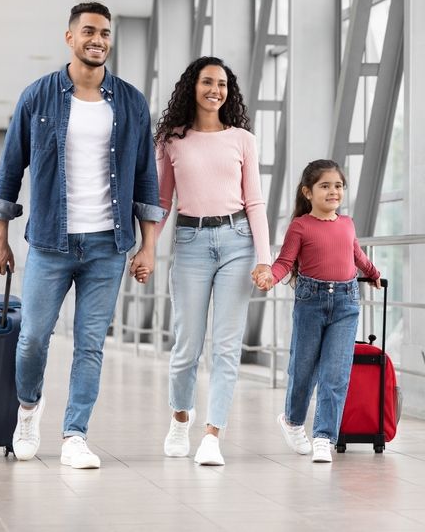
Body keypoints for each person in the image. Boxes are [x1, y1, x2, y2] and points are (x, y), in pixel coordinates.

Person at [0, 2, 164, 469]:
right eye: (88, 31)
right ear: (69, 37)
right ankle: (28, 409)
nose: (98, 39)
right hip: (49, 241)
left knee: (90, 343)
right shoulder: (37, 96)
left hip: (108, 244)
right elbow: (9, 170)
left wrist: (148, 246)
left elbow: (146, 178)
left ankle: (74, 434)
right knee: (34, 338)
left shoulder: (129, 101)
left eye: (105, 32)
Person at [153, 56, 272, 466]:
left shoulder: (242, 139)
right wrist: (147, 247)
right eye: (207, 82)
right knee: (186, 345)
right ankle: (180, 417)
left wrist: (265, 259)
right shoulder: (172, 139)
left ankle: (212, 435)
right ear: (193, 86)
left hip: (237, 242)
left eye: (222, 84)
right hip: (189, 241)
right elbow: (162, 201)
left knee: (224, 347)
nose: (215, 90)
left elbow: (254, 201)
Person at [255, 159, 381, 463]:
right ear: (308, 192)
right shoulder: (300, 226)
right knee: (303, 369)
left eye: (338, 186)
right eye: (325, 186)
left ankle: (324, 436)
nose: (333, 191)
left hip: (346, 304)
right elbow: (286, 261)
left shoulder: (347, 223)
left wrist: (374, 273)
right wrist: (270, 276)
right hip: (311, 303)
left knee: (336, 373)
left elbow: (357, 254)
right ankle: (292, 421)